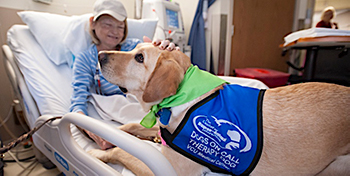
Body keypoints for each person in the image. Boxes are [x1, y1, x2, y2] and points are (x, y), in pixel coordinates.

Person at [70, 0, 179, 150]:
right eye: (108, 24)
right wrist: (92, 133)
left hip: (149, 106)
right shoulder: (85, 59)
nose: (115, 31)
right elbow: (78, 102)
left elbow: (160, 76)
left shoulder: (135, 47)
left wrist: (168, 53)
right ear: (93, 23)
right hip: (122, 111)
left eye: (120, 26)